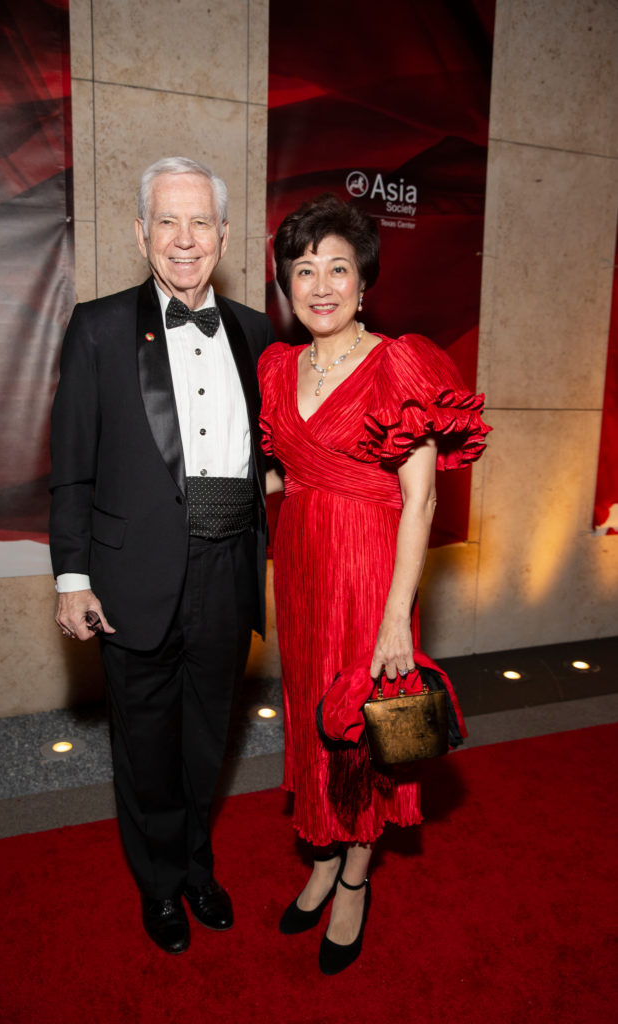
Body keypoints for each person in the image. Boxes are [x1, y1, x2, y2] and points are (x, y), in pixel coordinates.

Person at [258, 194, 490, 974]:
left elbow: (419, 498)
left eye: (336, 268)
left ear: (363, 282)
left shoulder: (401, 363)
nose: (319, 285)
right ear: (286, 286)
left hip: (370, 573)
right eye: (302, 270)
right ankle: (322, 851)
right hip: (299, 569)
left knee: (364, 728)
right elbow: (279, 470)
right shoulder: (277, 366)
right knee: (310, 714)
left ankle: (355, 872)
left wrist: (397, 620)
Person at [49, 156, 275, 955]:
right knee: (144, 746)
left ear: (223, 234)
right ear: (142, 232)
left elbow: (271, 450)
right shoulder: (100, 326)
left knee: (205, 740)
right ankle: (158, 887)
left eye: (201, 222)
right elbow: (71, 463)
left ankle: (197, 868)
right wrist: (71, 576)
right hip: (130, 576)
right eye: (168, 222)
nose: (185, 240)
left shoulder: (254, 330)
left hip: (227, 570)